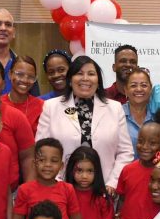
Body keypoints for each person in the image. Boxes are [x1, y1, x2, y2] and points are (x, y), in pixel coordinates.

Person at [35, 55, 134, 193]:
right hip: (61, 189)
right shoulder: (51, 107)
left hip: (103, 191)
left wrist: (112, 183)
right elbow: (41, 151)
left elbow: (125, 152)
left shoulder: (115, 108)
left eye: (91, 74)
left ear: (98, 81)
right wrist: (56, 183)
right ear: (70, 80)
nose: (85, 78)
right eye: (79, 73)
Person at [11, 138, 84, 219]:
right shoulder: (25, 190)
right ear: (34, 164)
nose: (48, 165)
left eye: (54, 161)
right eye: (42, 160)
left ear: (61, 166)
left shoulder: (67, 189)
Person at [0, 55, 44, 132]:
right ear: (10, 74)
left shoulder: (41, 106)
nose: (25, 80)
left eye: (30, 77)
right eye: (20, 74)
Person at [122, 67, 152, 147]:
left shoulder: (157, 117)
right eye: (133, 85)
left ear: (150, 89)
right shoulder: (116, 114)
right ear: (126, 90)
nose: (139, 89)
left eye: (144, 85)